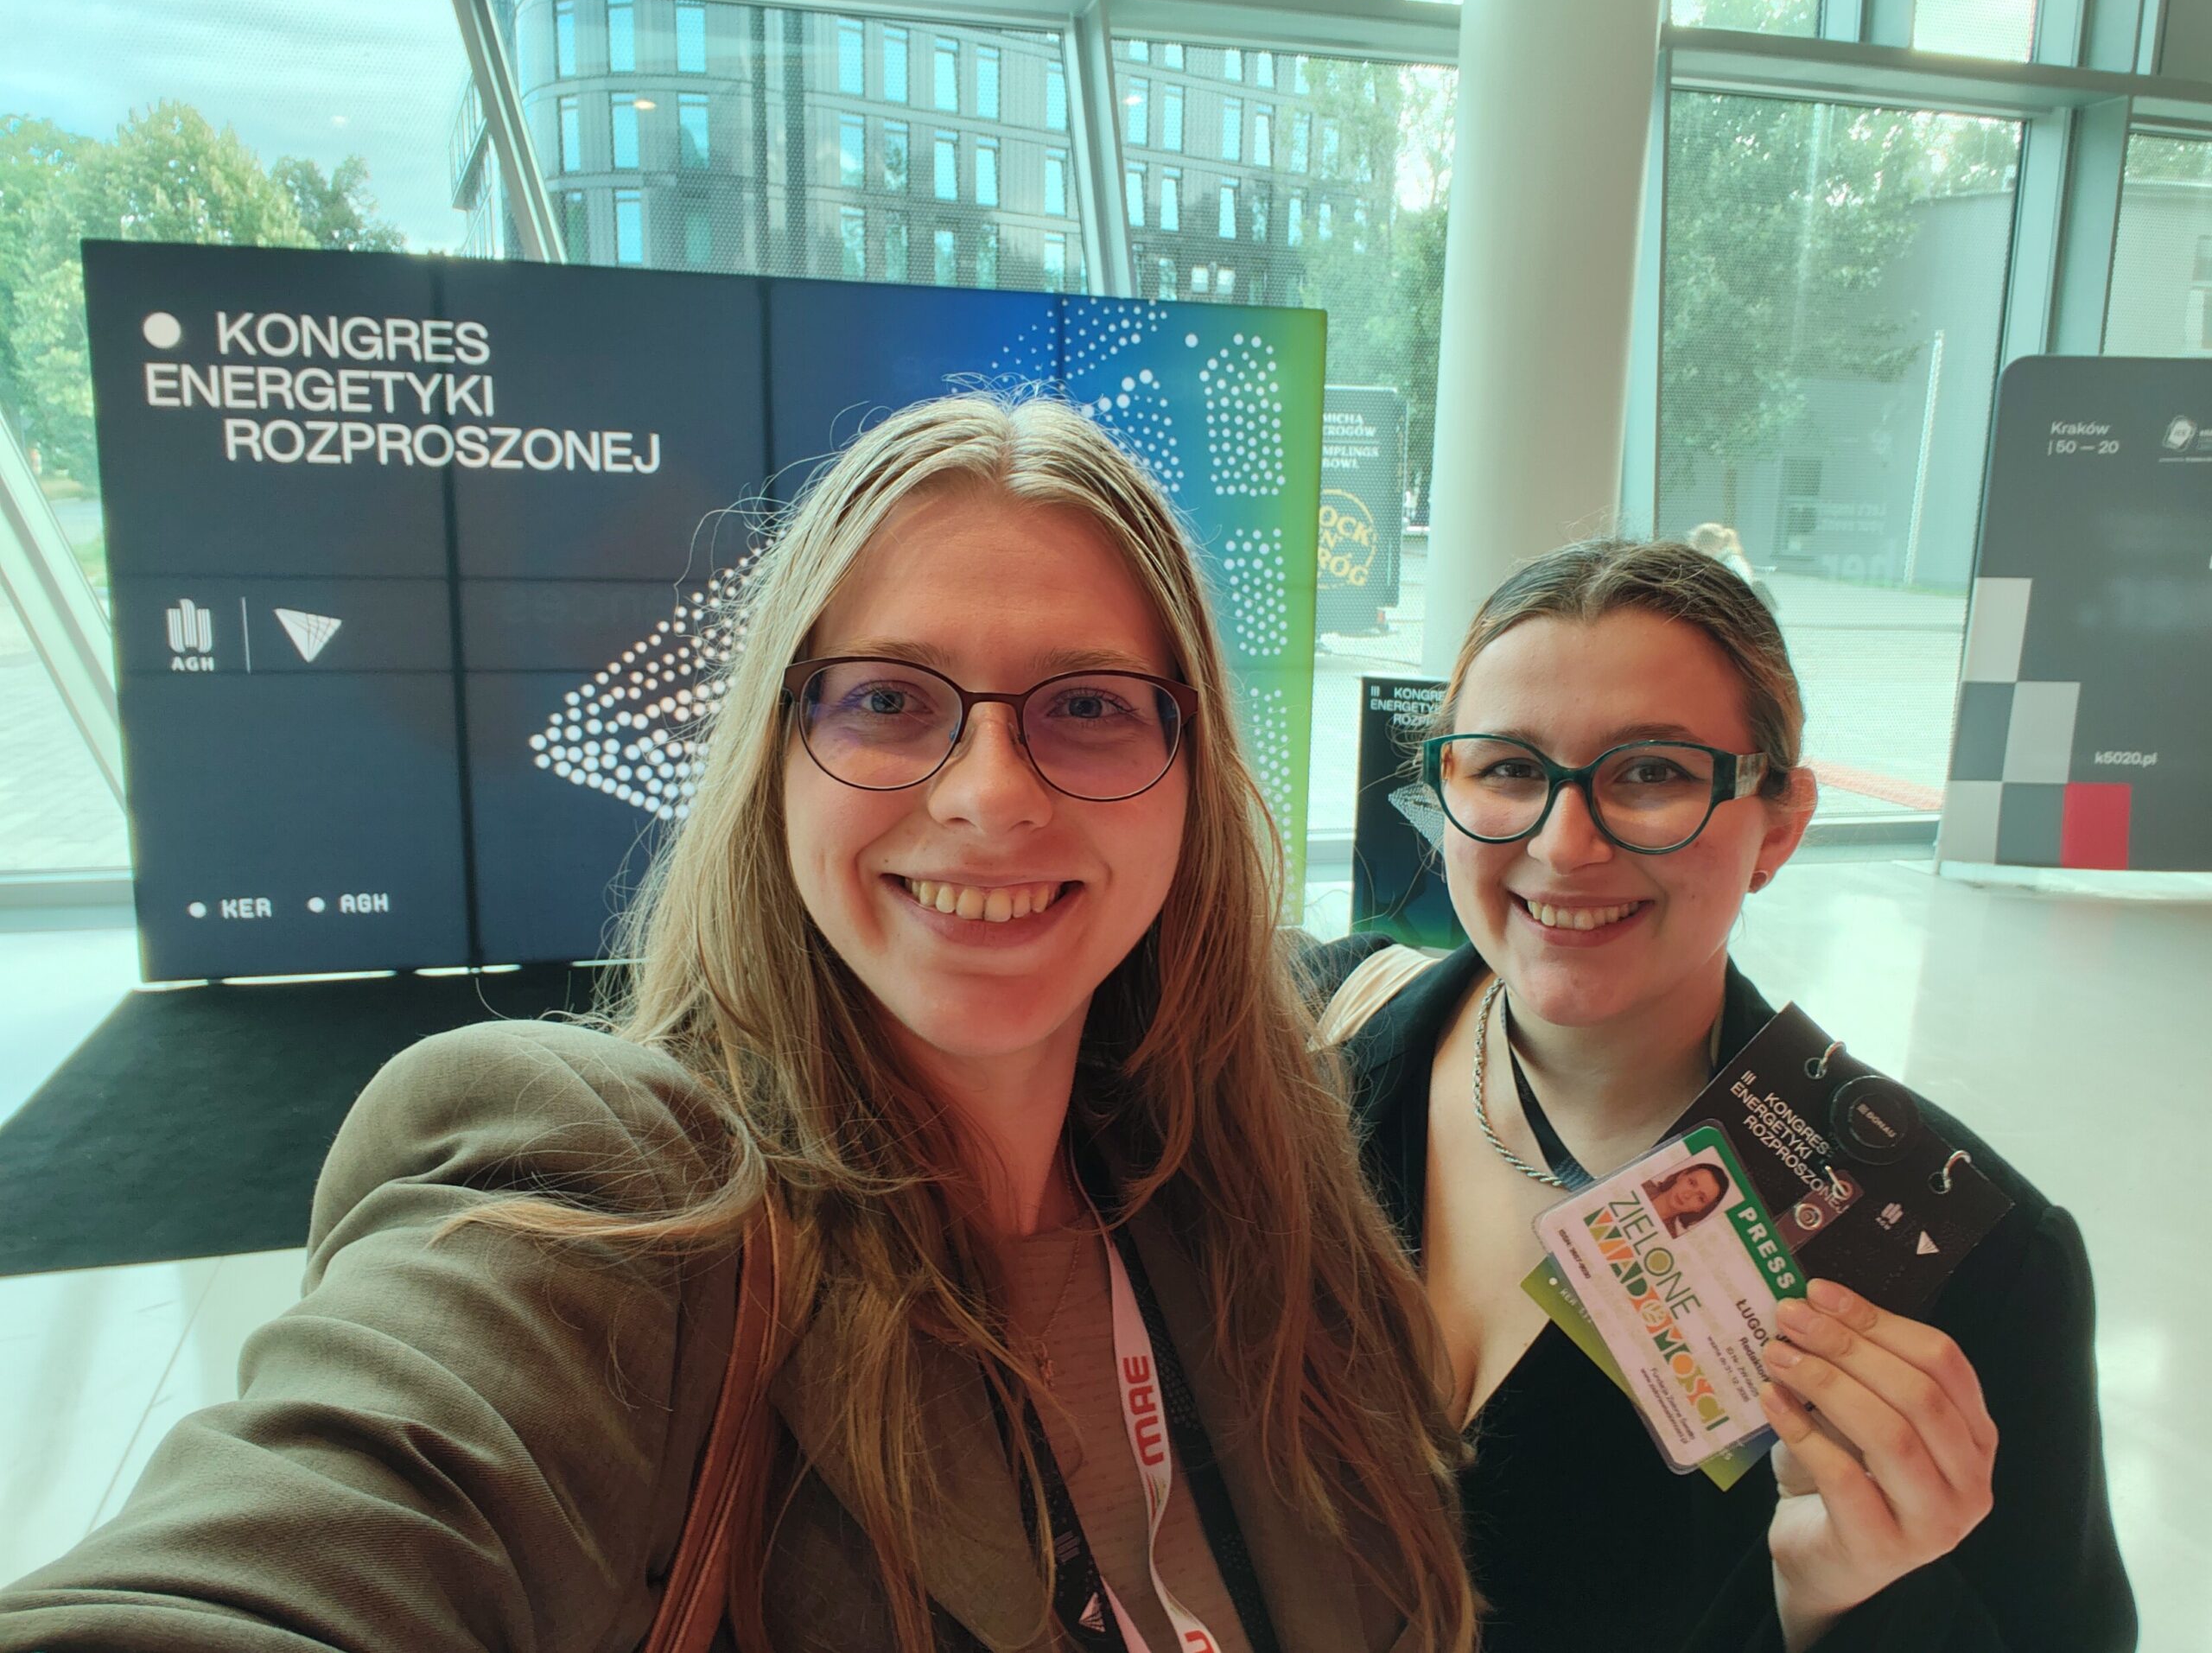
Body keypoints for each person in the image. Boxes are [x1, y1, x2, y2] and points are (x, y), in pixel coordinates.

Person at [0, 394, 1476, 1653]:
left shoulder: (1253, 1189)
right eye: (889, 699)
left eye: (1086, 706)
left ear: (1190, 773)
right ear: (777, 756)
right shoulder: (612, 1202)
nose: (989, 794)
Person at [1305, 541, 2133, 1651]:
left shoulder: (1963, 1258)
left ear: (1778, 824)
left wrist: (1847, 1601)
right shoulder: (1301, 1057)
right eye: (1505, 768)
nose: (1564, 844)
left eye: (1652, 773)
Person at [1643, 1160, 1730, 1237]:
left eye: (1701, 1198)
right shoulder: (1641, 1182)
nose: (1687, 1195)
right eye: (1691, 1183)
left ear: (1701, 1209)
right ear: (1682, 1175)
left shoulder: (1668, 1238)